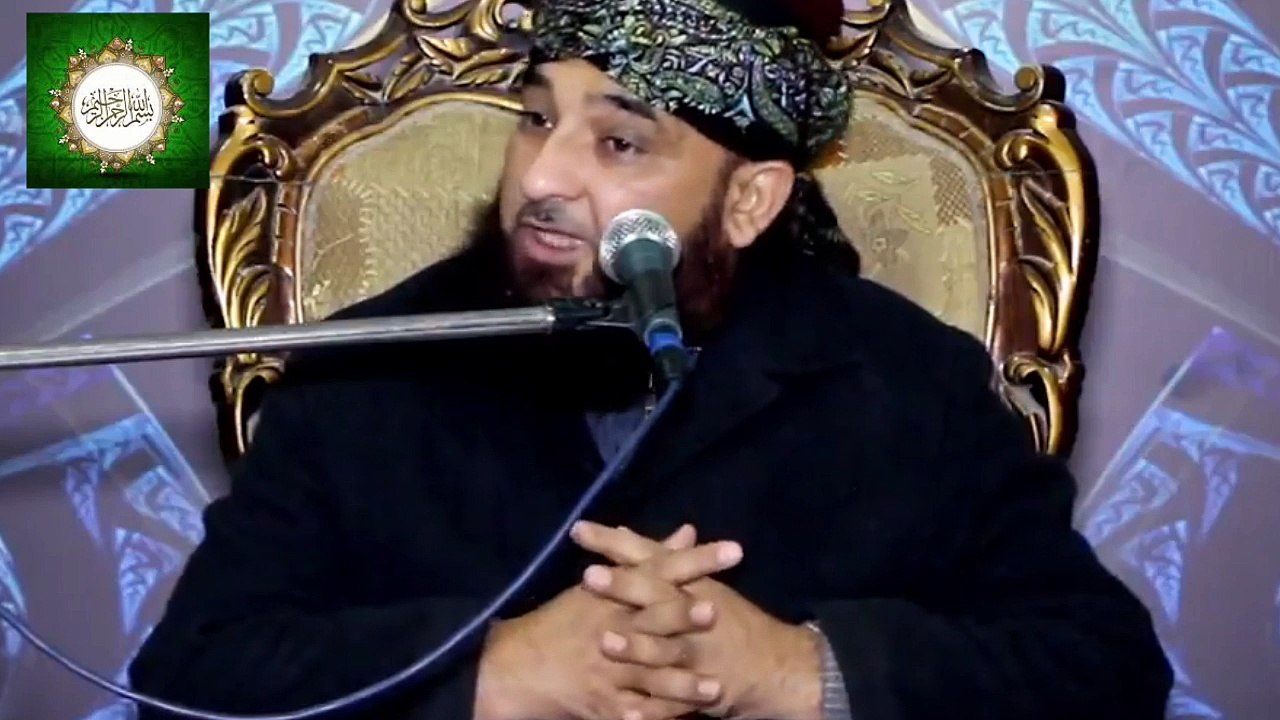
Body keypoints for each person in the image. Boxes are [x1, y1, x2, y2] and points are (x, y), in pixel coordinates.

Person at [129, 0, 1174, 718]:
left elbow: (1104, 666)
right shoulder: (369, 369)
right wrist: (492, 672)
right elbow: (190, 678)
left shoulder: (903, 380)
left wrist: (801, 671)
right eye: (535, 119)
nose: (543, 177)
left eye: (618, 143)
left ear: (750, 200)